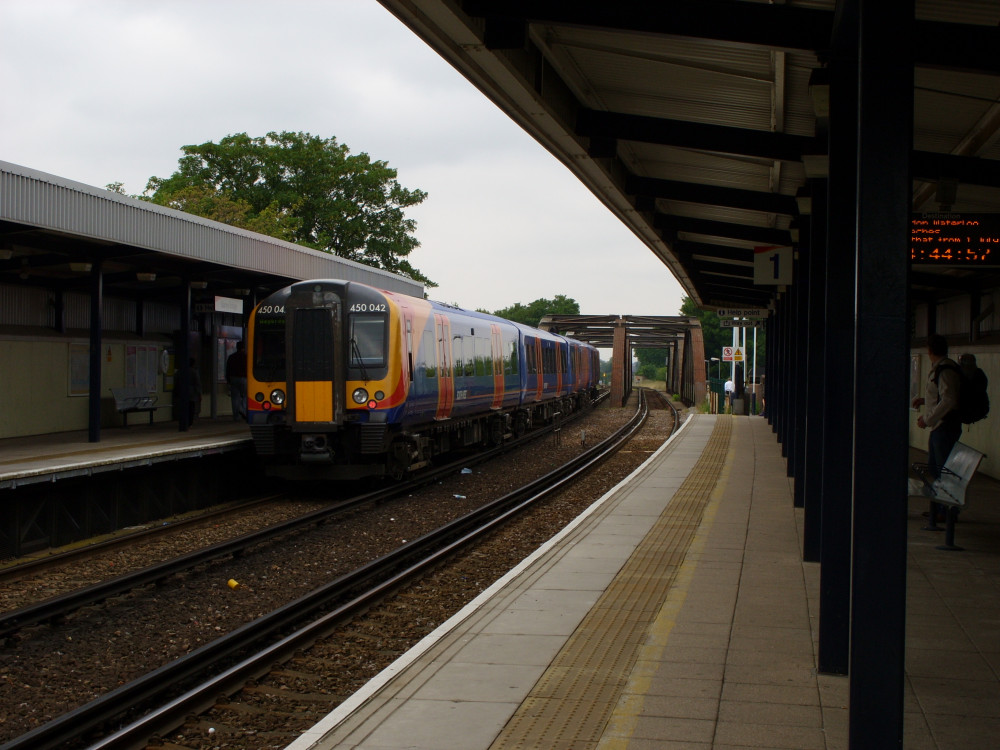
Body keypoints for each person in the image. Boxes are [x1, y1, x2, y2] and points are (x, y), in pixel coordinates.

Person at [912, 334, 962, 482]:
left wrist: (927, 419)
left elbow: (948, 400)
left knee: (942, 472)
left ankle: (946, 504)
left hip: (944, 427)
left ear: (930, 351)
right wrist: (925, 400)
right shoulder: (943, 368)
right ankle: (938, 503)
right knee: (935, 469)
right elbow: (941, 395)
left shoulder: (944, 370)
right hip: (940, 428)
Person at [226, 340, 248, 421]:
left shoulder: (231, 357)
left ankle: (236, 416)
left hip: (233, 378)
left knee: (235, 397)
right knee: (246, 395)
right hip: (244, 378)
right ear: (244, 347)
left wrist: (228, 380)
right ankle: (242, 409)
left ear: (237, 347)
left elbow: (228, 369)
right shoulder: (246, 357)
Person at [187, 357, 202, 425]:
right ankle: (190, 421)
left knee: (186, 407)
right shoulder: (194, 372)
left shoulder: (182, 371)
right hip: (192, 392)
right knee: (191, 407)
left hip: (185, 392)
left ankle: (185, 420)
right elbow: (197, 383)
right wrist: (199, 393)